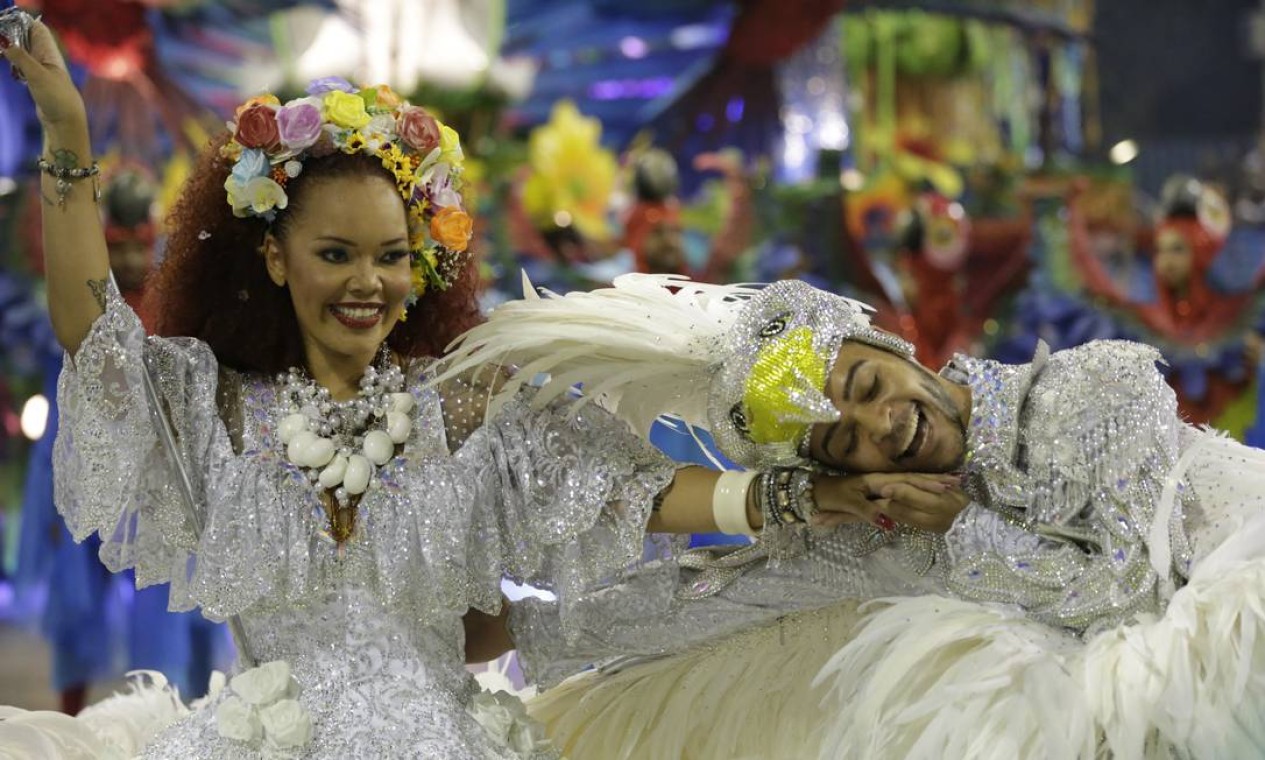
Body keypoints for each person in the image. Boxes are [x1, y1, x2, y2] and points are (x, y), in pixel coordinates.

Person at [0, 18, 954, 758]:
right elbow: (97, 336)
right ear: (275, 259)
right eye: (335, 254)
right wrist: (65, 131)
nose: (367, 283)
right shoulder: (216, 408)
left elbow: (636, 490)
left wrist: (803, 496)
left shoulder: (469, 399)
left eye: (390, 256)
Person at [438, 273, 1265, 759]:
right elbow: (719, 602)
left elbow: (1135, 596)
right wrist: (518, 626)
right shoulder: (889, 523)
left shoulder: (1094, 385)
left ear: (897, 352)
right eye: (843, 442)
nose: (882, 426)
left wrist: (959, 532)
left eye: (869, 389)